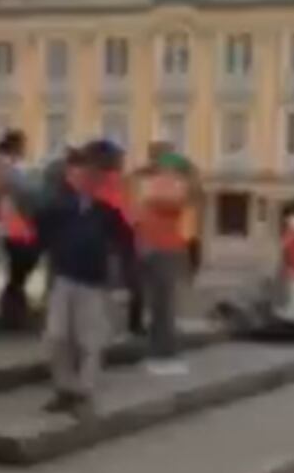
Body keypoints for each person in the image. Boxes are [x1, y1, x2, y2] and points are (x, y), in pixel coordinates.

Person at [34, 141, 136, 416]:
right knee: (57, 336)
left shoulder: (107, 210)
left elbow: (126, 243)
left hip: (92, 281)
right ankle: (65, 388)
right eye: (79, 173)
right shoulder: (59, 205)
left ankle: (85, 392)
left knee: (89, 340)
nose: (84, 179)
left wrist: (124, 283)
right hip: (64, 277)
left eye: (90, 174)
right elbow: (41, 231)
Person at [132, 151, 195, 375]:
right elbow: (139, 214)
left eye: (161, 166)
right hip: (153, 247)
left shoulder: (174, 186)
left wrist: (147, 188)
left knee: (163, 305)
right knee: (156, 304)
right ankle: (158, 351)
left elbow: (165, 204)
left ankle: (165, 353)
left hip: (164, 249)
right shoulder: (157, 185)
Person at [0, 130, 45, 333]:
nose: (25, 151)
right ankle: (12, 316)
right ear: (15, 147)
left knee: (17, 273)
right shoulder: (6, 168)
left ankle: (13, 315)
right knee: (19, 272)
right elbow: (23, 192)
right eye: (22, 147)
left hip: (11, 225)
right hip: (17, 227)